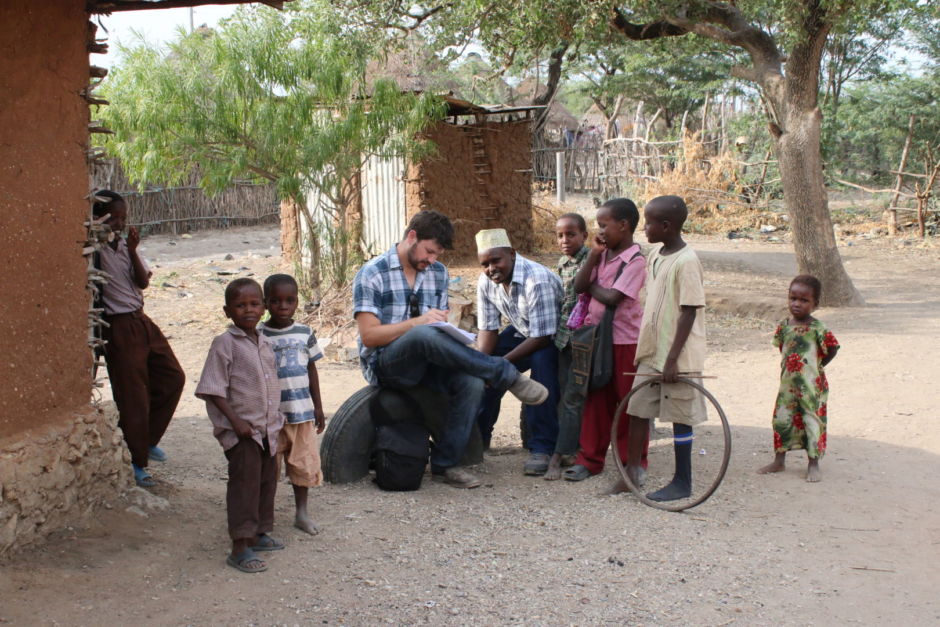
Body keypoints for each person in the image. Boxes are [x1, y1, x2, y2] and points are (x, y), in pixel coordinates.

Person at [353, 211, 549, 490]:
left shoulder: (438, 273)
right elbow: (369, 336)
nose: (432, 260)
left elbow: (438, 328)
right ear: (412, 237)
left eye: (437, 254)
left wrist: (451, 336)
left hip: (429, 361)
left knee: (472, 383)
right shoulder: (372, 273)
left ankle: (446, 465)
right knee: (421, 332)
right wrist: (418, 323)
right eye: (429, 251)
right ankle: (505, 373)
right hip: (388, 365)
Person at [93, 190, 185, 489]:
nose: (119, 224)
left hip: (140, 320)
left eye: (123, 218)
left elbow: (143, 282)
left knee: (172, 377)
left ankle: (146, 440)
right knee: (133, 395)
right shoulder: (94, 250)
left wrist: (133, 250)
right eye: (113, 218)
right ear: (98, 218)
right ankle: (136, 462)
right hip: (118, 325)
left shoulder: (123, 245)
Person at [196, 278, 285, 574]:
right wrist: (235, 422)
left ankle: (258, 533)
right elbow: (212, 388)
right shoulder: (225, 344)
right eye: (240, 305)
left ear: (264, 307)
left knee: (266, 481)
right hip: (243, 433)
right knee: (244, 486)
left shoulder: (265, 342)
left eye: (254, 304)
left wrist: (277, 420)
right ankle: (240, 546)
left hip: (267, 429)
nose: (248, 310)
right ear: (227, 311)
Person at [562, 199, 649, 489]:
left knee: (627, 402)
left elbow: (613, 298)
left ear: (623, 225)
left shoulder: (635, 261)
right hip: (597, 338)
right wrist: (593, 255)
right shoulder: (602, 255)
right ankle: (590, 459)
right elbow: (579, 285)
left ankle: (632, 462)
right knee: (596, 398)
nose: (599, 231)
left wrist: (591, 286)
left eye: (603, 225)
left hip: (625, 340)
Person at [626, 196, 708, 502]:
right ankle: (631, 472)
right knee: (637, 409)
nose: (644, 228)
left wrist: (673, 359)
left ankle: (682, 481)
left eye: (648, 223)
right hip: (652, 351)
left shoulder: (687, 262)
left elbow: (689, 311)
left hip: (678, 356)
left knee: (680, 415)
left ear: (666, 226)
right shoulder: (655, 254)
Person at [476, 228, 564, 476]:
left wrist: (501, 364)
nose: (491, 268)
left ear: (512, 254)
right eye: (485, 264)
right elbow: (488, 328)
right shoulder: (486, 281)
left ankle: (543, 447)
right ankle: (479, 438)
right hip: (523, 331)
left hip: (552, 338)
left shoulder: (537, 279)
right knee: (483, 373)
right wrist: (484, 365)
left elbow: (542, 337)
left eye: (496, 260)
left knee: (541, 380)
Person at [259, 273, 326, 534]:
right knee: (268, 469)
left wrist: (317, 406)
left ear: (297, 301)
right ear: (265, 303)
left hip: (301, 413)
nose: (283, 306)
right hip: (271, 417)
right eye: (275, 301)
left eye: (290, 300)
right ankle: (265, 516)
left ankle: (301, 513)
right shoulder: (258, 334)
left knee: (303, 465)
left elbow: (311, 369)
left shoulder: (305, 333)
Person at [758, 275, 839, 482]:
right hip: (787, 386)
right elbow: (782, 349)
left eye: (804, 300)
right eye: (793, 298)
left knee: (811, 421)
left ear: (815, 304)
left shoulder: (818, 328)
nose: (797, 304)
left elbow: (832, 348)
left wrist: (816, 367)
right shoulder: (784, 326)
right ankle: (779, 460)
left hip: (811, 387)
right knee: (782, 419)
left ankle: (813, 464)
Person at [544, 213, 590, 481]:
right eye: (560, 235)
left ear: (584, 235)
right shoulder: (562, 263)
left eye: (571, 234)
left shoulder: (591, 261)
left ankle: (560, 454)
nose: (564, 240)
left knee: (574, 396)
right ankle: (571, 447)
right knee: (564, 394)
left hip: (583, 340)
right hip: (563, 340)